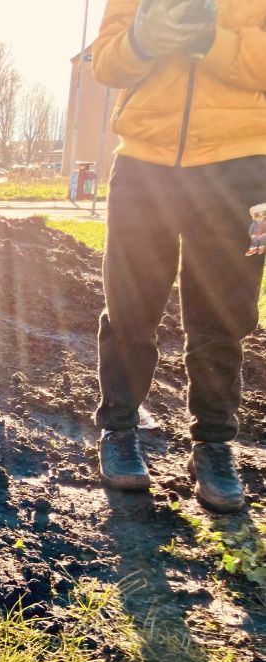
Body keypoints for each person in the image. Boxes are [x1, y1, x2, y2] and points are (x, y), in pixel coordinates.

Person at [92, 0, 266, 513]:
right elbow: (106, 63)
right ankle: (119, 430)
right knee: (129, 304)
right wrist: (141, 42)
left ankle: (213, 443)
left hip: (240, 165)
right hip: (143, 161)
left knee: (224, 312)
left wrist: (213, 42)